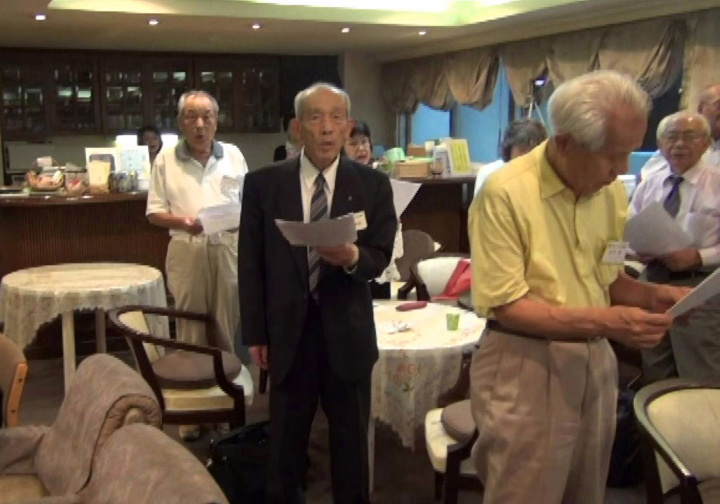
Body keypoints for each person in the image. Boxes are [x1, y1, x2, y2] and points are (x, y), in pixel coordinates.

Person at [468, 70, 691, 504]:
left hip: (596, 361)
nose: (622, 170)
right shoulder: (505, 192)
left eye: (629, 153)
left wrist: (654, 296)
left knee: (587, 492)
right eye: (613, 156)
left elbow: (606, 280)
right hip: (525, 362)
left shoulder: (608, 192)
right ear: (565, 143)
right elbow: (509, 306)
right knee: (525, 494)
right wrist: (609, 322)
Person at [239, 82, 396, 503]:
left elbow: (380, 256)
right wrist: (256, 333)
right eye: (315, 117)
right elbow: (251, 264)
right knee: (285, 447)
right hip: (289, 334)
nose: (326, 128)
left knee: (351, 448)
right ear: (297, 128)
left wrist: (352, 257)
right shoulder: (263, 185)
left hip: (348, 334)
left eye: (336, 118)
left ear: (348, 127)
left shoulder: (373, 185)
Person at [146, 90, 248, 439]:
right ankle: (192, 413)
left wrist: (237, 219)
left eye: (207, 116)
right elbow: (154, 212)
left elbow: (247, 203)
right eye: (191, 117)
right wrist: (184, 222)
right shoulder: (166, 159)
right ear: (180, 123)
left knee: (225, 325)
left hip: (227, 248)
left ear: (217, 121)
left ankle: (222, 404)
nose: (200, 124)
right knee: (190, 328)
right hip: (186, 248)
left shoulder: (233, 155)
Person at [630, 111, 720, 382]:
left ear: (706, 143)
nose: (679, 144)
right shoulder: (649, 184)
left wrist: (699, 257)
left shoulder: (716, 183)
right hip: (653, 281)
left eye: (689, 136)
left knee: (699, 367)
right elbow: (627, 228)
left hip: (699, 285)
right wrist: (636, 249)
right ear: (660, 144)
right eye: (671, 137)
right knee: (655, 363)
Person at [343, 120, 400, 299]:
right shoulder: (340, 180)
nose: (361, 148)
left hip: (377, 249)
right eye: (353, 144)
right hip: (350, 258)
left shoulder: (380, 180)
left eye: (364, 142)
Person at [640, 83, 720, 180]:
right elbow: (646, 178)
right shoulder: (678, 143)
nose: (680, 143)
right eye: (718, 105)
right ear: (700, 109)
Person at [473, 118, 547, 197]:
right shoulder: (489, 173)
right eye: (522, 149)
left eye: (531, 150)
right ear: (509, 148)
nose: (526, 155)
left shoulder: (545, 178)